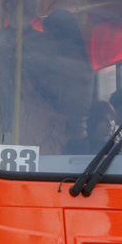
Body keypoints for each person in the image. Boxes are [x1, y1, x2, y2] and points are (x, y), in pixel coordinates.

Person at [16, 8, 94, 154]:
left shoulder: (71, 62)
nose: (47, 41)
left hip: (67, 140)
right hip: (62, 135)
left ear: (60, 35)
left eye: (49, 36)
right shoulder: (77, 58)